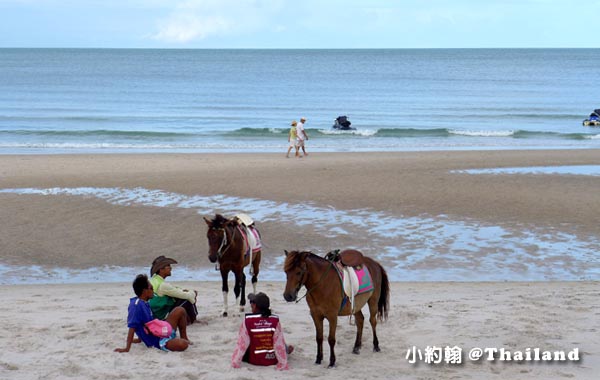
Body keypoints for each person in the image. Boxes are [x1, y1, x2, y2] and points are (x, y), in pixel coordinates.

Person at [115, 274, 191, 353]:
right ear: (145, 291)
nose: (153, 291)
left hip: (160, 330)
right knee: (183, 344)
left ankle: (184, 337)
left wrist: (139, 339)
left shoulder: (145, 302)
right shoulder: (136, 306)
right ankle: (177, 340)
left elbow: (145, 323)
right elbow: (132, 327)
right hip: (157, 341)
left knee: (180, 310)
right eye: (151, 288)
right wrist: (127, 348)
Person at [231, 292, 293, 370]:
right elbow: (278, 344)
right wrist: (283, 363)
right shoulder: (275, 320)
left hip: (254, 360)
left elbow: (242, 344)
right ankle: (287, 349)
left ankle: (287, 349)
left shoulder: (248, 321)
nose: (251, 304)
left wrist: (235, 362)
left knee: (245, 339)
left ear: (255, 305)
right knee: (278, 339)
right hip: (272, 360)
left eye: (252, 302)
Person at [149, 255, 198, 324]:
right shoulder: (163, 285)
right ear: (161, 269)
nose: (170, 268)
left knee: (178, 296)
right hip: (161, 315)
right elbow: (188, 296)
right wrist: (193, 293)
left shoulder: (153, 280)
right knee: (187, 299)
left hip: (153, 312)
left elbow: (173, 290)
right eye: (168, 266)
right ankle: (194, 319)